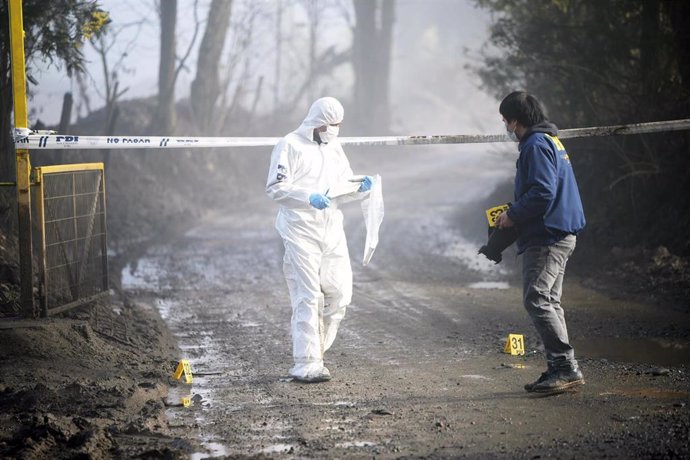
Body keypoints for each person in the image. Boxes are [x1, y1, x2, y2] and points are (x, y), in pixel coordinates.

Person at [266, 96, 373, 383]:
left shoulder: (334, 148)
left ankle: (317, 349)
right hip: (300, 229)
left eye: (337, 125)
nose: (334, 130)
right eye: (330, 125)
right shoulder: (289, 145)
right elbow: (276, 188)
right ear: (317, 121)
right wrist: (307, 198)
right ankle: (307, 362)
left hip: (331, 228)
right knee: (308, 294)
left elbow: (341, 187)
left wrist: (359, 188)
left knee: (339, 293)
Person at [495, 91, 587, 393]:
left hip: (547, 235)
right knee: (549, 300)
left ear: (514, 121)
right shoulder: (551, 141)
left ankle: (564, 368)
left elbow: (543, 192)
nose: (506, 127)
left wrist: (513, 215)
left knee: (536, 298)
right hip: (560, 231)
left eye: (506, 120)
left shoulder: (535, 145)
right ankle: (562, 367)